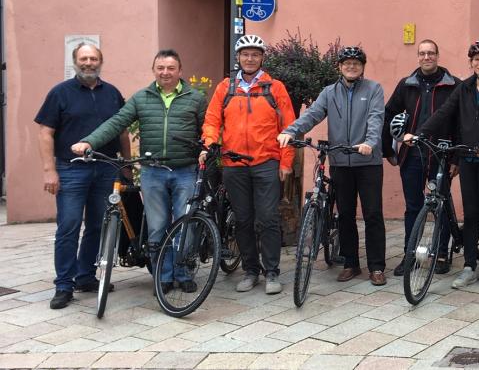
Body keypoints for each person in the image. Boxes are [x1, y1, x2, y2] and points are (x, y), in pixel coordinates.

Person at [73, 49, 207, 294]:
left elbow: (206, 129)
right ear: (153, 70)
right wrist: (89, 141)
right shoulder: (142, 98)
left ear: (180, 71)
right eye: (160, 68)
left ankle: (183, 272)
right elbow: (116, 123)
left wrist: (207, 149)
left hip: (185, 170)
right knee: (157, 226)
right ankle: (163, 276)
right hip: (152, 172)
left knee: (185, 224)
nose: (165, 73)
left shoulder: (195, 98)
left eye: (170, 68)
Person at [278, 46, 387, 285]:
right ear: (339, 67)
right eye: (347, 63)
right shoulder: (329, 92)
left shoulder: (373, 89)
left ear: (362, 67)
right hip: (340, 162)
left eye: (356, 63)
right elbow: (313, 115)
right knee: (345, 214)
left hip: (367, 162)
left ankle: (377, 266)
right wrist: (291, 131)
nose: (351, 67)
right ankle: (350, 263)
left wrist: (369, 142)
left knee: (373, 214)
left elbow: (376, 118)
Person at [414, 40, 479, 289]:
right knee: (470, 214)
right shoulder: (464, 88)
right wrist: (420, 133)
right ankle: (469, 265)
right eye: (476, 59)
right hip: (468, 158)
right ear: (471, 63)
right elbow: (444, 113)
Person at [35, 42, 130, 309]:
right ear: (75, 61)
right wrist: (49, 170)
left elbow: (122, 132)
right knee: (69, 226)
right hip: (71, 169)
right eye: (84, 58)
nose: (89, 63)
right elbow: (45, 133)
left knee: (98, 226)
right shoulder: (60, 93)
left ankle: (85, 276)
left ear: (101, 61)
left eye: (93, 59)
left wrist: (125, 165)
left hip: (106, 168)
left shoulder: (112, 93)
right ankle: (64, 285)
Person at [201, 34, 296, 295]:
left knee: (268, 218)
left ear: (262, 58)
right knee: (243, 220)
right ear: (238, 58)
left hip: (266, 162)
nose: (250, 59)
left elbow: (289, 127)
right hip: (233, 163)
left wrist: (286, 161)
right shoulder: (226, 87)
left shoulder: (275, 87)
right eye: (245, 54)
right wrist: (209, 143)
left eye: (255, 54)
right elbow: (212, 120)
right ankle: (251, 270)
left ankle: (272, 272)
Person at [383, 39, 461, 276]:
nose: (427, 57)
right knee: (413, 207)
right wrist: (389, 150)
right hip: (412, 155)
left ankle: (441, 254)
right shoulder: (406, 85)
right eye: (423, 53)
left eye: (431, 53)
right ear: (418, 57)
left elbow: (461, 122)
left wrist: (456, 158)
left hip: (441, 154)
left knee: (441, 205)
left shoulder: (454, 85)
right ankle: (410, 255)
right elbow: (388, 115)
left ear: (437, 56)